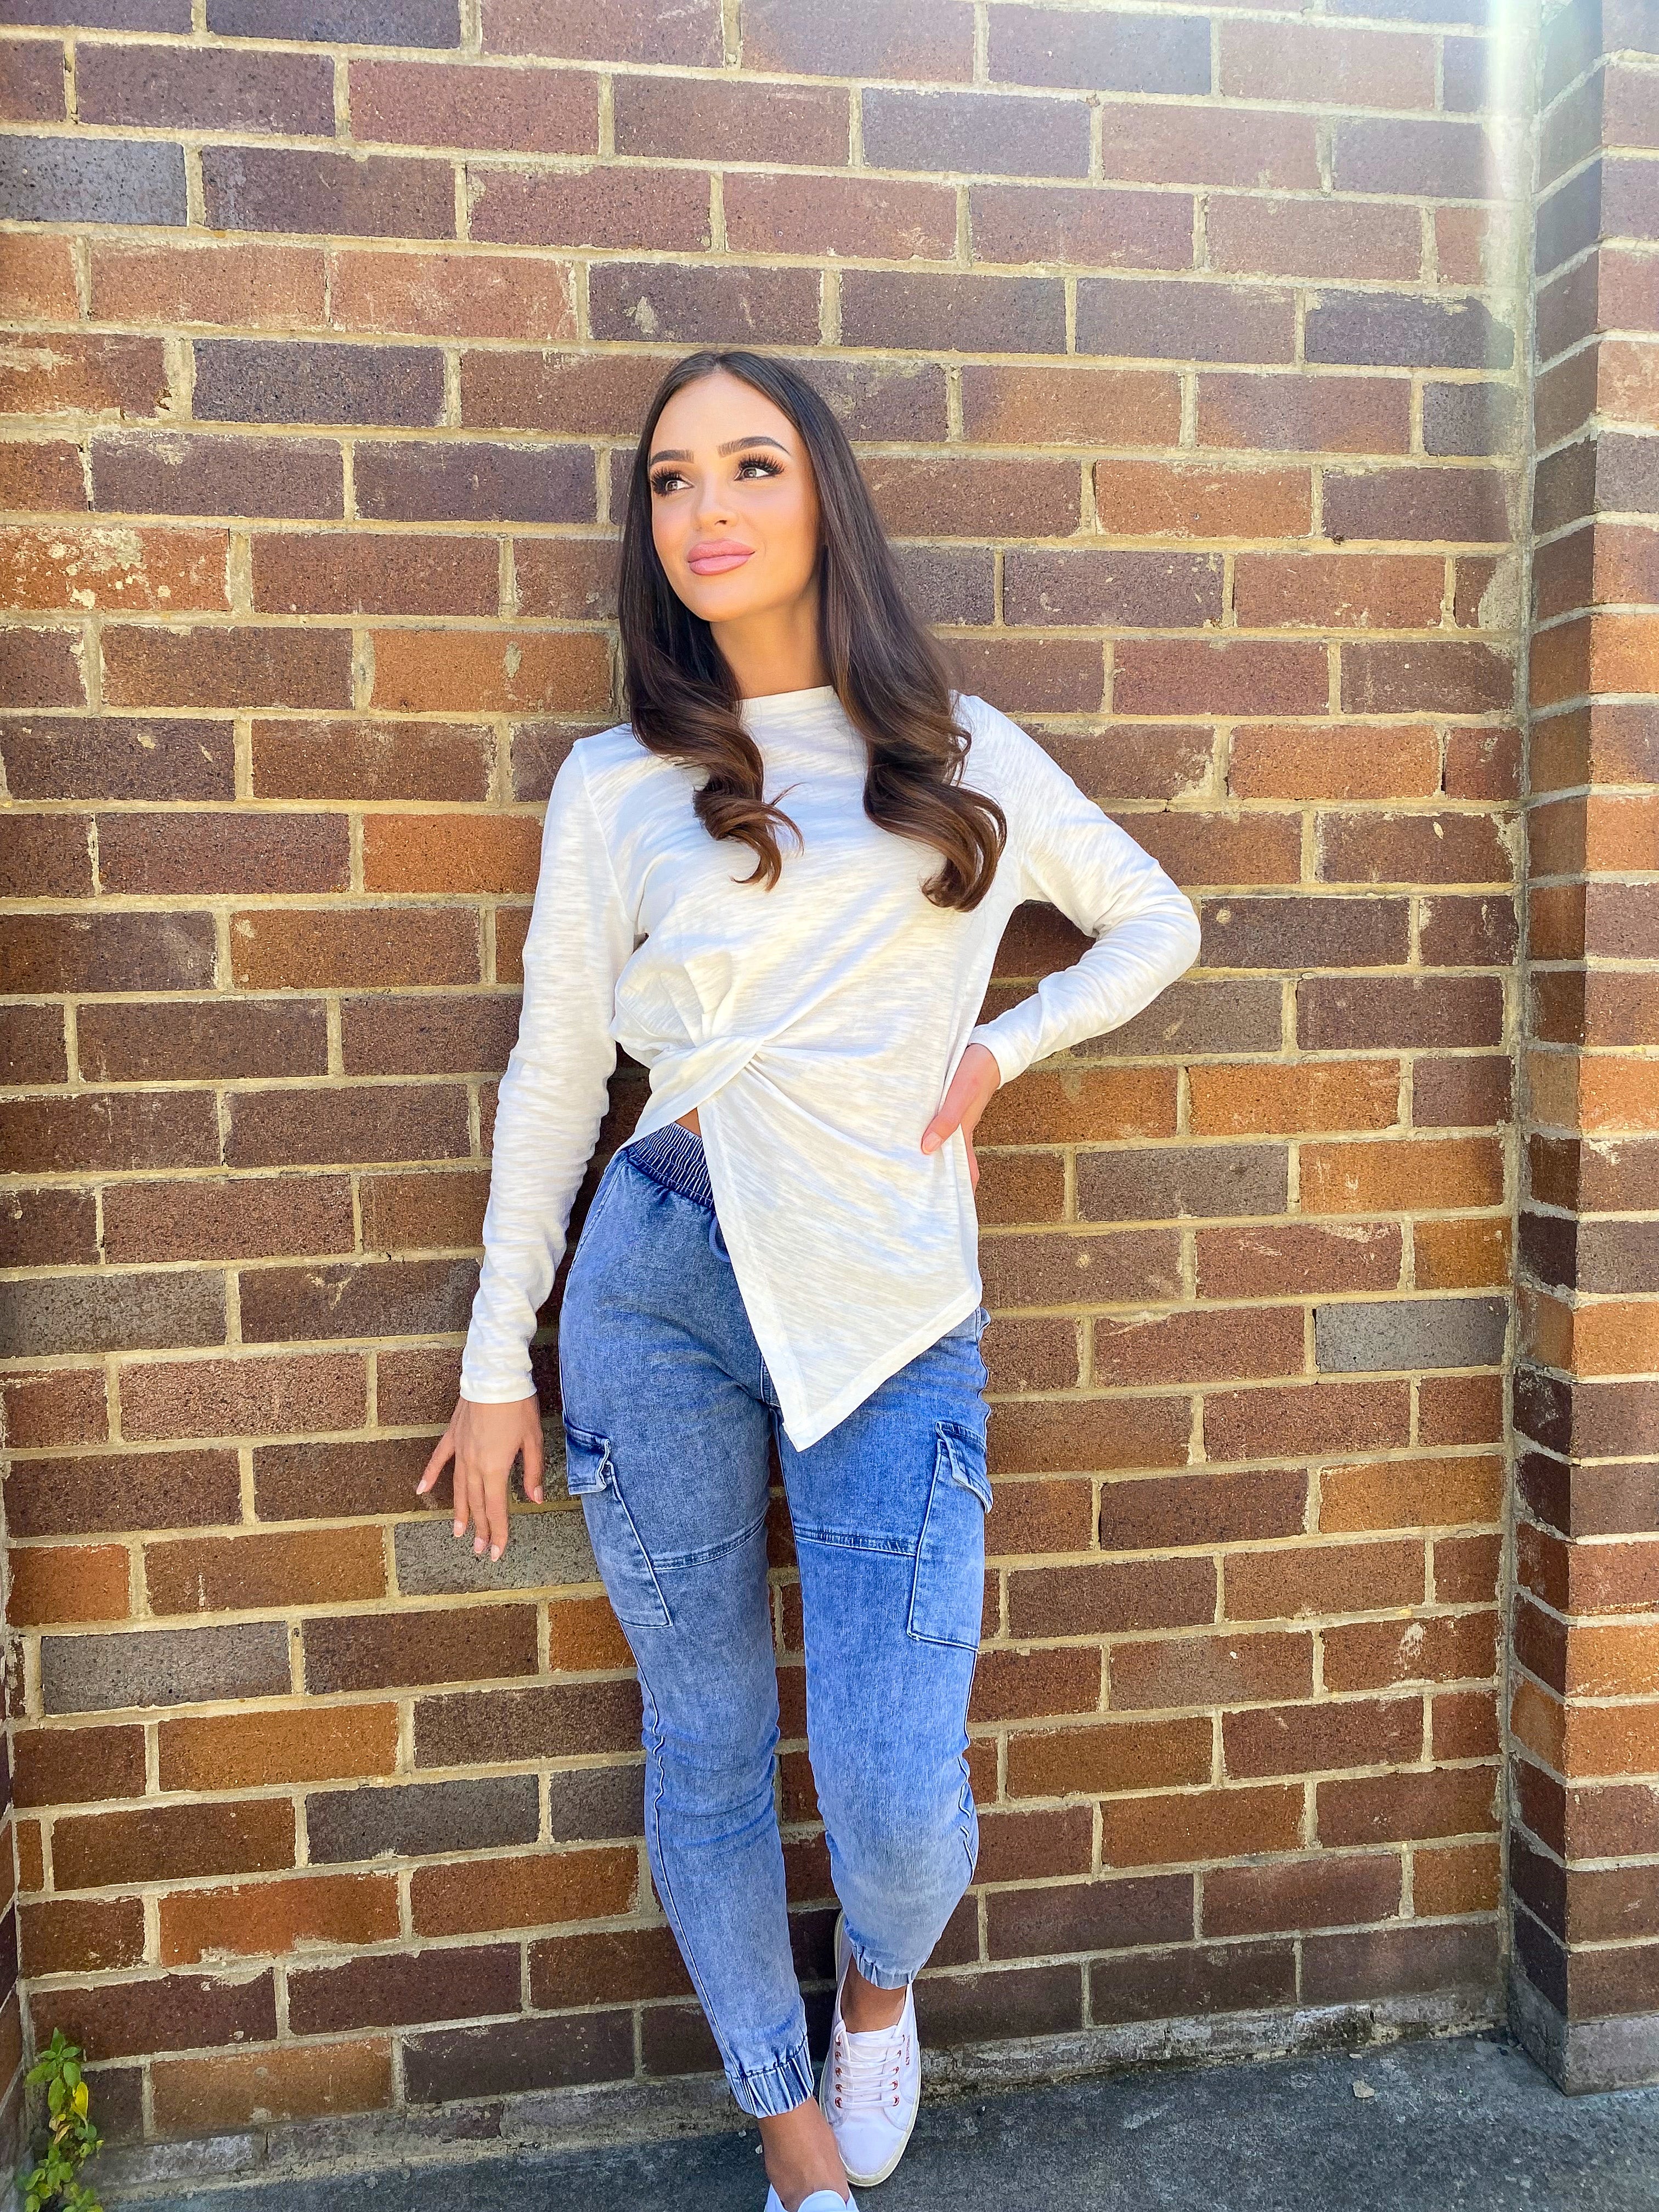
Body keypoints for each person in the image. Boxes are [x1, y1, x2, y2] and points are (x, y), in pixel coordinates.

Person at [418, 347, 1201, 2211]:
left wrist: (1001, 1052)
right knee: (704, 1737)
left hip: (891, 1300)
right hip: (660, 1281)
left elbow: (1153, 919)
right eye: (671, 480)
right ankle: (795, 2148)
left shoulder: (956, 750)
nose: (706, 510)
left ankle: (877, 1985)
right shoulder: (616, 784)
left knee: (894, 1789)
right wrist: (496, 1357)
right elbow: (557, 1076)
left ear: (821, 497)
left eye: (750, 466)